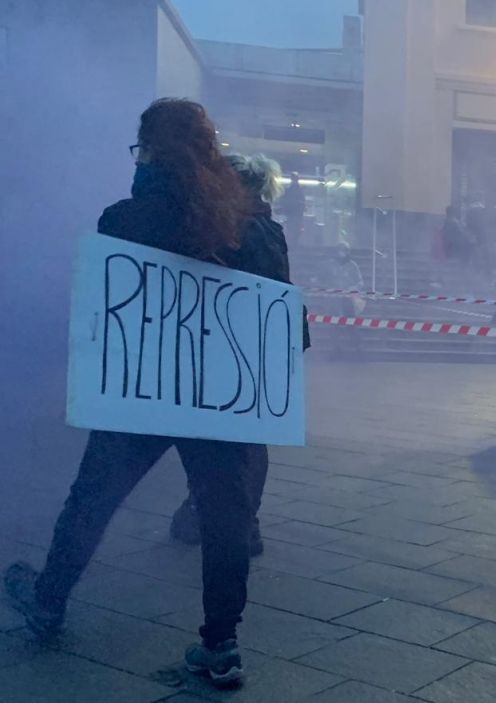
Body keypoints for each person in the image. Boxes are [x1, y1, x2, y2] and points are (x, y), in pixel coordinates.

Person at [2, 99, 262, 688]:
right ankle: (222, 644)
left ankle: (48, 601)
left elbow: (99, 312)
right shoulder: (249, 225)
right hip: (218, 396)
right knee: (226, 517)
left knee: (92, 496)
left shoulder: (124, 219)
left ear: (149, 151)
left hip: (142, 392)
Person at [169, 153, 308, 558]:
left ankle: (232, 520)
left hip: (238, 349)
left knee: (233, 440)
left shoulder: (243, 228)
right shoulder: (263, 226)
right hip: (255, 348)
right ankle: (223, 516)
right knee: (240, 440)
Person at [280, 171, 306, 245]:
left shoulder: (298, 189)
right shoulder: (290, 189)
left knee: (296, 228)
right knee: (291, 228)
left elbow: (302, 200)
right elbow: (285, 200)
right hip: (291, 212)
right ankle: (292, 242)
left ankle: (294, 242)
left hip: (296, 213)